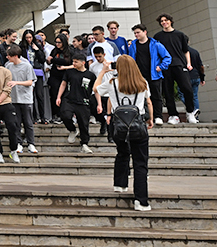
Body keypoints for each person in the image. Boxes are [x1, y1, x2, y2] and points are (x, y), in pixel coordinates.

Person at [103, 55, 154, 212]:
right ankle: (141, 201)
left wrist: (104, 71)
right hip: (138, 125)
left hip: (119, 126)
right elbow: (149, 102)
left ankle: (120, 184)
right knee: (140, 163)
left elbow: (96, 89)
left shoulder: (112, 83)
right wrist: (150, 119)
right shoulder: (142, 82)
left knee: (122, 153)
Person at [124, 24, 171, 124]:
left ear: (145, 32)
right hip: (139, 76)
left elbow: (167, 57)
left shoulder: (155, 44)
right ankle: (145, 116)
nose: (136, 35)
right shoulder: (133, 45)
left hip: (154, 75)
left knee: (156, 96)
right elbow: (130, 59)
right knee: (141, 97)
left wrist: (161, 67)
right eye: (135, 33)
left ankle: (158, 116)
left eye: (138, 32)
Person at [154, 14, 195, 124]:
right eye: (162, 21)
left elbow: (186, 50)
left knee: (187, 89)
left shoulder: (180, 34)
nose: (164, 22)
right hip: (165, 66)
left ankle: (190, 112)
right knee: (168, 92)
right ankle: (173, 115)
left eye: (166, 20)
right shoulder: (157, 36)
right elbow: (155, 53)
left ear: (171, 21)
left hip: (179, 64)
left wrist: (188, 63)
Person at [57, 51, 99, 153]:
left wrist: (99, 104)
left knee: (84, 124)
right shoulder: (70, 72)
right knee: (65, 115)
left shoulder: (90, 75)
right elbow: (63, 84)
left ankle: (84, 144)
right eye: (73, 62)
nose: (74, 64)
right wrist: (59, 97)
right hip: (69, 99)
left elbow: (96, 90)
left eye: (76, 62)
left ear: (83, 62)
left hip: (83, 101)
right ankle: (72, 130)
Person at [4, 46, 37, 154]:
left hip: (26, 98)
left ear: (15, 56)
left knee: (28, 122)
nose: (7, 57)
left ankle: (31, 144)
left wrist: (16, 82)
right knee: (16, 122)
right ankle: (19, 143)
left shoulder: (26, 66)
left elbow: (30, 82)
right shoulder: (8, 66)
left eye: (9, 55)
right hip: (13, 99)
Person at [187, 45, 205, 117]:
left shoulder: (180, 51)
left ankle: (191, 107)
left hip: (186, 76)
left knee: (181, 93)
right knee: (195, 96)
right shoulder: (195, 52)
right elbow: (200, 66)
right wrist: (202, 78)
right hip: (196, 75)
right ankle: (196, 113)